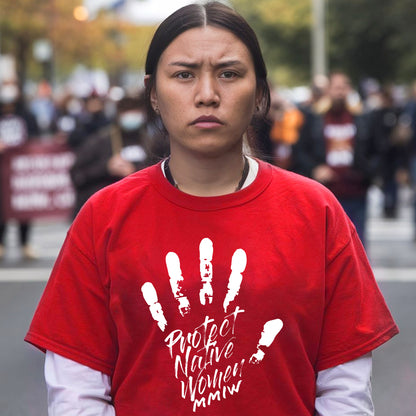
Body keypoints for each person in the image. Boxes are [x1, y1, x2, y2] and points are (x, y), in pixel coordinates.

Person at [25, 3, 398, 415]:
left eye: (229, 73)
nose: (207, 94)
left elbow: (345, 392)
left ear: (259, 93)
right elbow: (77, 394)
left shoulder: (317, 211)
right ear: (152, 92)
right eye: (184, 74)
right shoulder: (104, 217)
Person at [295, 72, 380, 247]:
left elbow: (377, 149)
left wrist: (366, 172)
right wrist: (314, 169)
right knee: (326, 246)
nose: (339, 92)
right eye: (336, 87)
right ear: (328, 91)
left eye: (343, 87)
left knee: (357, 245)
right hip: (325, 194)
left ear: (349, 90)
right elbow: (300, 151)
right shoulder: (314, 118)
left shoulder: (363, 118)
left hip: (356, 192)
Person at [69, 93, 154, 217]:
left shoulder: (152, 141)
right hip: (106, 211)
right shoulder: (99, 141)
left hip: (143, 210)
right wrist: (106, 168)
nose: (131, 116)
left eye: (135, 111)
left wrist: (136, 171)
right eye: (127, 111)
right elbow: (77, 174)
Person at [0, 81, 39, 260]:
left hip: (22, 170)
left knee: (24, 206)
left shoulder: (27, 115)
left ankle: (25, 243)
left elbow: (36, 138)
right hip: (2, 169)